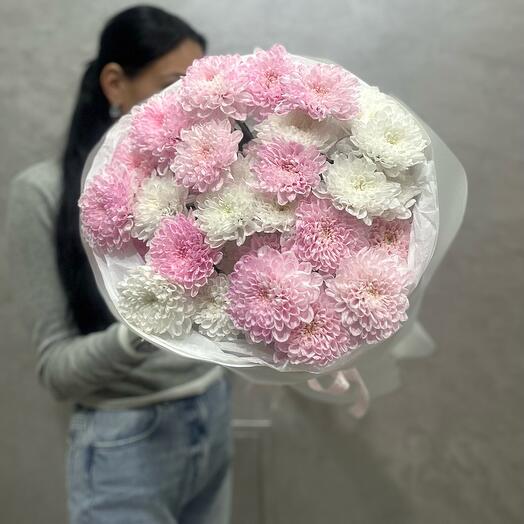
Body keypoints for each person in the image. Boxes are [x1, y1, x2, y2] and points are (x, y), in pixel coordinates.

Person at [6, 6, 233, 523]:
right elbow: (57, 371)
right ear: (115, 83)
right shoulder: (43, 195)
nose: (192, 106)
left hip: (212, 408)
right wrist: (146, 327)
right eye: (172, 86)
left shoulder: (199, 184)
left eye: (199, 90)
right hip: (124, 440)